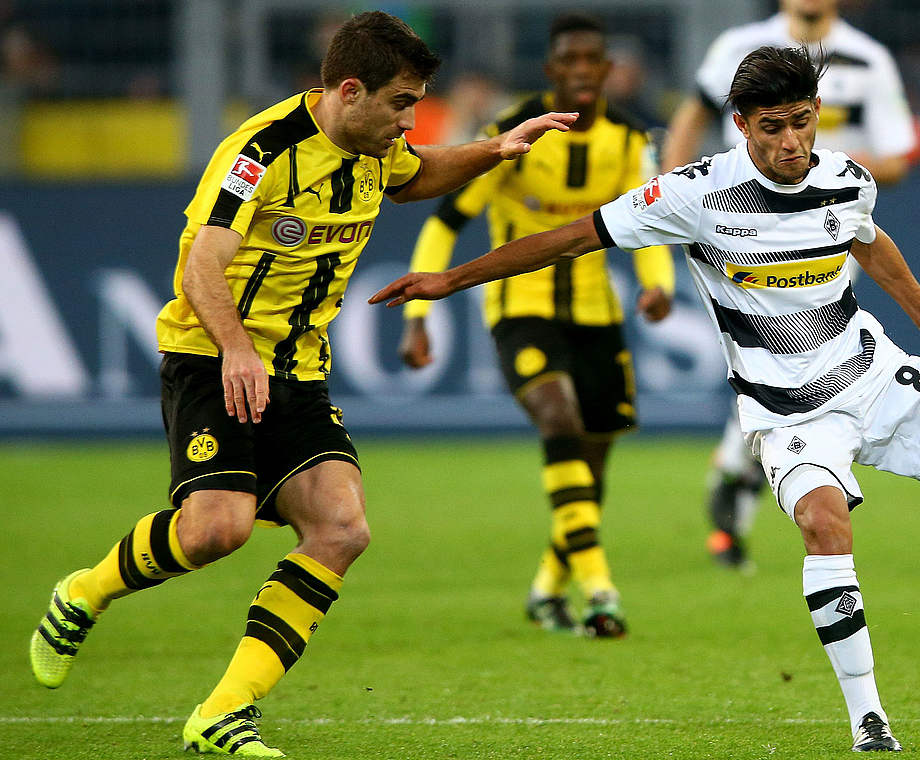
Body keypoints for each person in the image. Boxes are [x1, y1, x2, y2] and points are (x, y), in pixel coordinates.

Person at [370, 46, 920, 753]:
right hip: (787, 413)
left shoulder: (844, 176)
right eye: (773, 128)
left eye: (802, 123)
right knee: (826, 527)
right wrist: (452, 279)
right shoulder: (694, 195)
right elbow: (573, 236)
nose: (791, 143)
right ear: (740, 126)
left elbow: (869, 241)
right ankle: (869, 721)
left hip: (875, 376)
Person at [27, 11, 575, 757]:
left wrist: (493, 150)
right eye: (401, 103)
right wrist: (235, 350)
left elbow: (417, 178)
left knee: (343, 530)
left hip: (300, 370)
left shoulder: (376, 147)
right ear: (350, 90)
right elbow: (201, 265)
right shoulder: (259, 153)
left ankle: (222, 712)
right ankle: (83, 593)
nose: (410, 119)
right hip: (209, 356)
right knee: (215, 530)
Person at [398, 13, 674, 638]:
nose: (581, 72)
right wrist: (419, 315)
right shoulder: (511, 135)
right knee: (558, 419)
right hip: (520, 310)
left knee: (591, 465)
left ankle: (547, 590)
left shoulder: (633, 141)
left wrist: (659, 284)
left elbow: (652, 222)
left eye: (591, 62)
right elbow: (446, 221)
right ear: (551, 72)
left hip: (597, 315)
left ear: (607, 71)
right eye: (568, 62)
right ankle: (602, 592)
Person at [662, 0, 918, 572]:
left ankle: (733, 476)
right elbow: (690, 118)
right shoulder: (739, 48)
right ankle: (738, 485)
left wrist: (820, 167)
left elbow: (899, 159)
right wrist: (671, 193)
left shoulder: (869, 60)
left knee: (796, 370)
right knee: (784, 367)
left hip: (824, 234)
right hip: (740, 224)